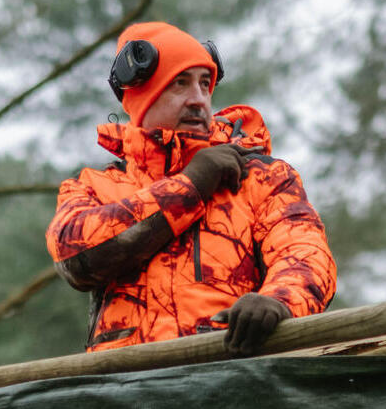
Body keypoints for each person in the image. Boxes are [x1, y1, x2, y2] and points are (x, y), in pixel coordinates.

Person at [46, 21, 337, 355]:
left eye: (205, 84)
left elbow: (305, 254)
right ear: (139, 97)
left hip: (234, 382)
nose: (199, 100)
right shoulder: (95, 188)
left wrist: (278, 302)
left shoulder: (261, 178)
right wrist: (190, 187)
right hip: (122, 393)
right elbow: (76, 258)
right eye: (180, 84)